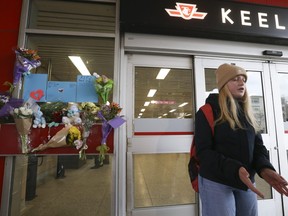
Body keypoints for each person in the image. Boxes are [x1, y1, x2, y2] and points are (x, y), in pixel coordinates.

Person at [195, 63, 288, 216]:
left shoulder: (248, 113)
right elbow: (204, 153)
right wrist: (236, 169)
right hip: (216, 181)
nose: (241, 83)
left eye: (243, 79)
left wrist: (265, 169)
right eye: (235, 79)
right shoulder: (207, 111)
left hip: (246, 181)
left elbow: (258, 148)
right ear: (224, 85)